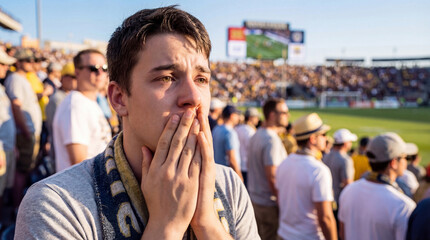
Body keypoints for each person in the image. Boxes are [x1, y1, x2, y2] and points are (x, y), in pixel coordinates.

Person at [16, 6, 259, 239]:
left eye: (201, 79)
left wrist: (207, 224)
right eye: (166, 78)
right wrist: (166, 226)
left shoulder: (229, 185)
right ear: (119, 98)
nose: (194, 97)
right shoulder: (55, 205)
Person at [338, 132, 416, 240]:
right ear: (393, 163)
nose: (405, 161)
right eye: (405, 157)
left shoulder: (349, 191)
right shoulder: (403, 206)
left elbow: (342, 234)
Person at [276, 113, 337, 240]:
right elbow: (325, 218)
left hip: (283, 234)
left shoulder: (284, 163)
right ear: (312, 139)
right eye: (323, 135)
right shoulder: (319, 170)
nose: (326, 138)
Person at [52, 49, 112, 172]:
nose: (100, 73)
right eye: (93, 68)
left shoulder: (89, 102)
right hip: (83, 188)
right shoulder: (76, 106)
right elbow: (79, 164)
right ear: (77, 72)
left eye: (104, 68)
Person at [4, 48, 42, 209]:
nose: (31, 63)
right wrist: (26, 131)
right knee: (21, 171)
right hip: (24, 133)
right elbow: (16, 106)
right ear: (18, 62)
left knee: (26, 169)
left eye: (32, 60)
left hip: (29, 132)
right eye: (27, 60)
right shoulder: (15, 79)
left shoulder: (23, 78)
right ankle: (18, 207)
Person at [248, 98, 289, 240]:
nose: (288, 115)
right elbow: (272, 176)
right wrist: (281, 202)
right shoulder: (271, 140)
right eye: (284, 112)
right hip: (268, 204)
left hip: (256, 200)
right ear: (272, 115)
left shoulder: (257, 135)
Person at [323, 128, 356, 215]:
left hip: (325, 198)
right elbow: (348, 184)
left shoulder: (326, 156)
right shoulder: (345, 160)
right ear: (345, 143)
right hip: (338, 201)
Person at [0, 49, 16, 213]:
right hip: (1, 149)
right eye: (2, 64)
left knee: (4, 189)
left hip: (7, 146)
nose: (6, 67)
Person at [212, 105, 243, 180]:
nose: (238, 117)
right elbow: (232, 159)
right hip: (227, 175)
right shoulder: (230, 132)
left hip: (216, 171)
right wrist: (240, 177)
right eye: (237, 115)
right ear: (232, 116)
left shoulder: (216, 129)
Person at [235, 107, 260, 187]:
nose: (258, 119)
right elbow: (253, 150)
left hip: (238, 164)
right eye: (256, 117)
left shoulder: (237, 128)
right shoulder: (250, 131)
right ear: (251, 118)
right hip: (246, 166)